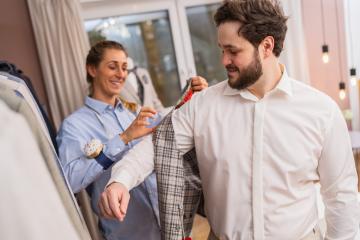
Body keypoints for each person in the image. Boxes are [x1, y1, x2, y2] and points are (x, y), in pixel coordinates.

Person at [98, 1, 360, 239]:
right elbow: (157, 147)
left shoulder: (321, 111)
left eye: (233, 51)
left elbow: (341, 197)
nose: (224, 60)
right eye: (222, 49)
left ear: (266, 46)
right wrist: (121, 180)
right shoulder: (203, 106)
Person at [56, 40, 208, 240]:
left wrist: (192, 96)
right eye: (112, 67)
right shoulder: (74, 125)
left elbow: (173, 127)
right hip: (130, 234)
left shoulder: (136, 111)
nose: (121, 74)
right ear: (92, 69)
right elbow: (69, 182)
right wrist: (123, 138)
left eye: (124, 67)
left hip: (173, 228)